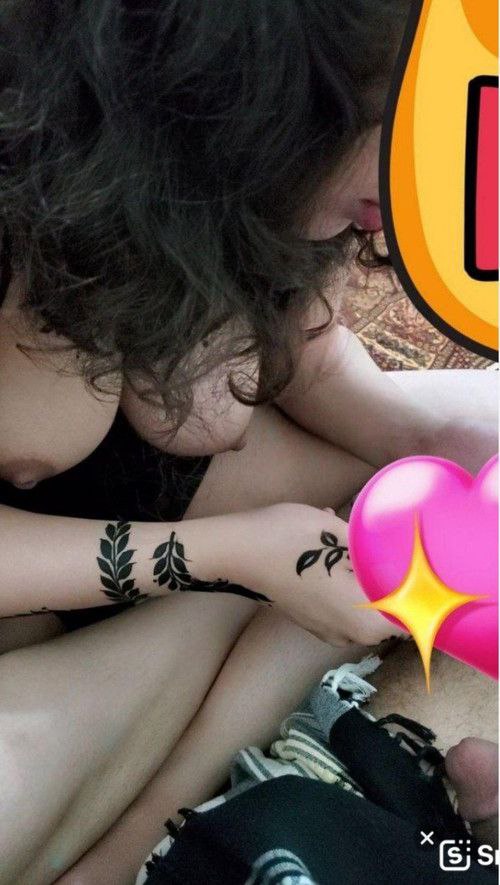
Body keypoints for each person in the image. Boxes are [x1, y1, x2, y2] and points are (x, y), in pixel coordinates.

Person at [0, 2, 496, 882]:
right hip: (62, 614)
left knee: (417, 509)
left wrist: (433, 440)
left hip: (187, 535)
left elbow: (312, 356)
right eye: (391, 124)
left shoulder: (258, 189)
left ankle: (145, 833)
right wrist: (231, 555)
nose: (420, 178)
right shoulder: (37, 194)